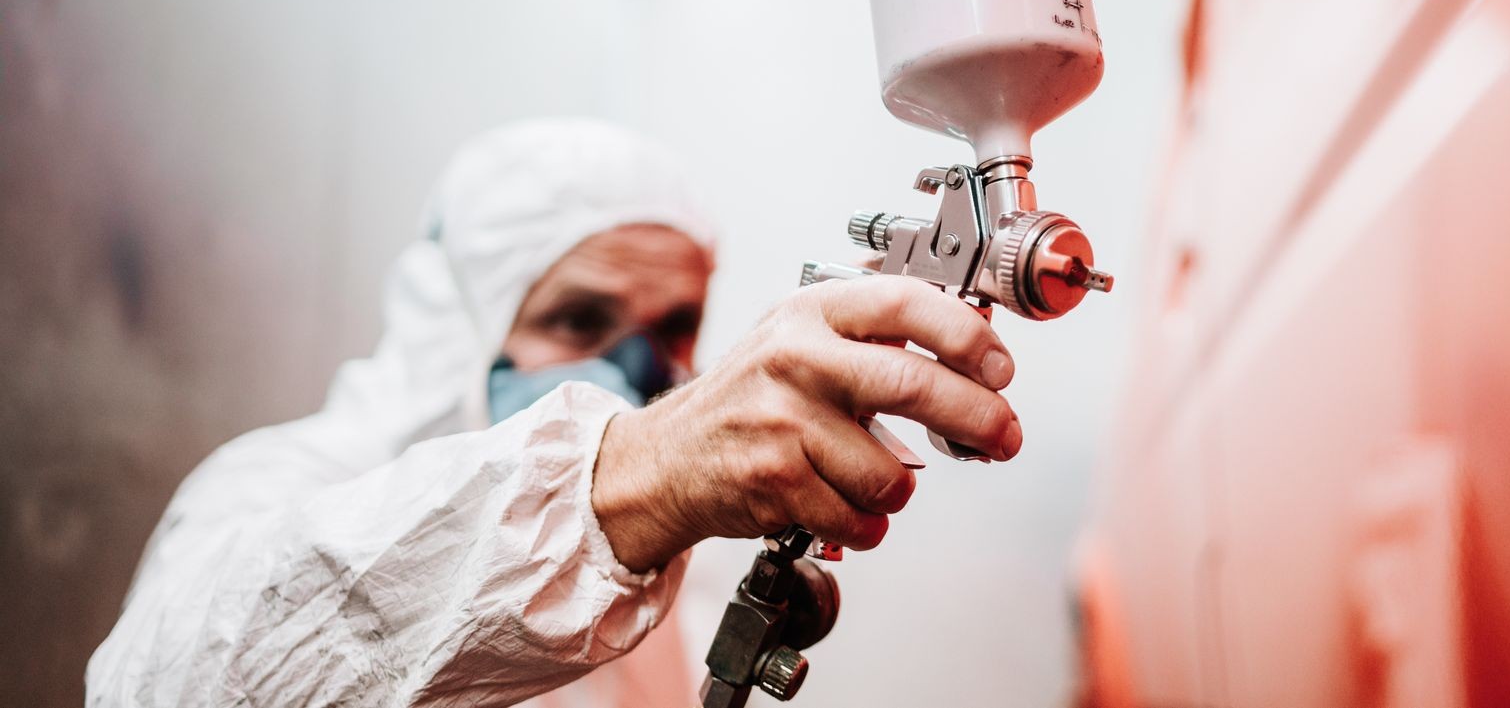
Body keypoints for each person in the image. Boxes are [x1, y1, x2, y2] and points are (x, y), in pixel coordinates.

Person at [86, 118, 1021, 706]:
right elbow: (166, 685)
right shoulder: (281, 487)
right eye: (579, 318)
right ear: (464, 326)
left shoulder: (668, 577)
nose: (633, 366)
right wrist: (622, 481)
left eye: (674, 328)